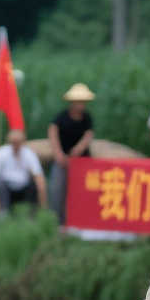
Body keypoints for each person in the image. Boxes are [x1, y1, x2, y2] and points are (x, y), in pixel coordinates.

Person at [48, 84, 97, 225]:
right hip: (63, 159)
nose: (81, 105)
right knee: (58, 189)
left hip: (82, 160)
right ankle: (58, 222)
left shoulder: (87, 118)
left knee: (83, 190)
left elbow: (88, 135)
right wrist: (58, 154)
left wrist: (79, 148)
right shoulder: (62, 117)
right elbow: (52, 131)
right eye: (78, 102)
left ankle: (83, 219)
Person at [0, 128, 46, 216]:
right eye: (13, 142)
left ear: (23, 142)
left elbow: (38, 175)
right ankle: (2, 215)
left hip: (24, 188)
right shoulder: (1, 153)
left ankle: (32, 216)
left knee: (34, 186)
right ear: (9, 142)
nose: (16, 145)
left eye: (18, 142)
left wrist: (41, 188)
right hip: (6, 188)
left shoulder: (29, 154)